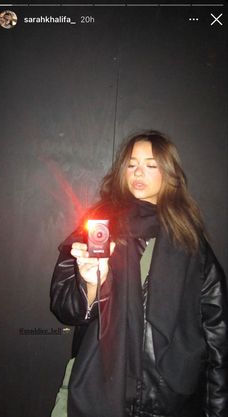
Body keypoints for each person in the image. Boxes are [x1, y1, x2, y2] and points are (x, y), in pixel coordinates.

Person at [50, 130, 228, 417]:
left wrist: (217, 408)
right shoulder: (98, 227)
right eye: (132, 164)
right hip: (99, 388)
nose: (138, 173)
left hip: (167, 399)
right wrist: (90, 284)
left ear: (169, 173)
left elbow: (216, 331)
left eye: (151, 164)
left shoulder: (189, 240)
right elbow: (65, 309)